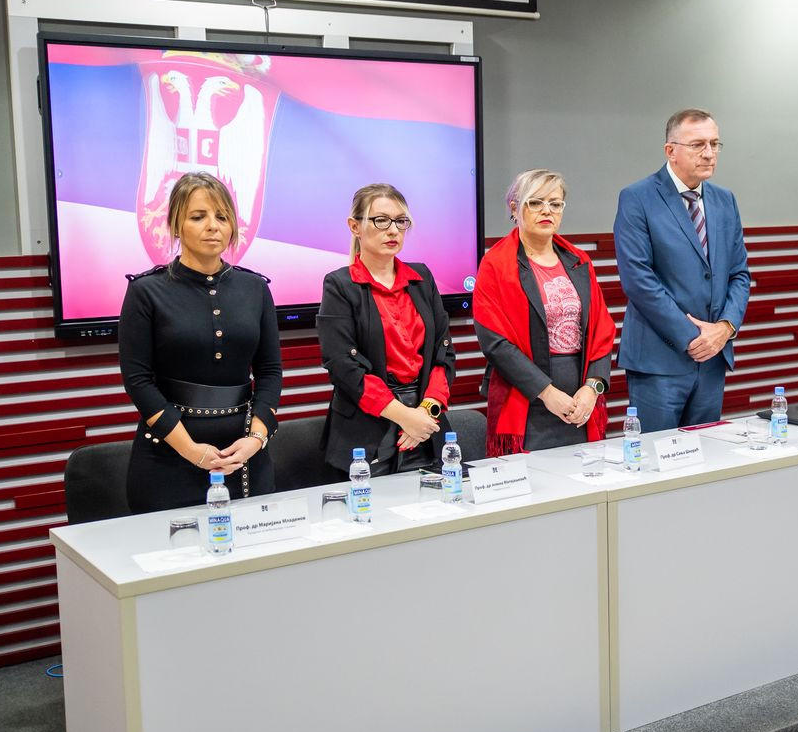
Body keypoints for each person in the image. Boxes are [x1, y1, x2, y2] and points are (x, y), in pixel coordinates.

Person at [119, 171, 282, 513]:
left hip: (244, 451)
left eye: (222, 217)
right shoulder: (146, 291)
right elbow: (138, 380)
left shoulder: (255, 288)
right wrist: (191, 450)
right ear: (176, 225)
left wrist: (256, 439)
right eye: (198, 217)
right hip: (169, 451)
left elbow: (269, 372)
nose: (213, 226)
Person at [613, 109, 750, 431]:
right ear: (670, 151)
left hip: (713, 358)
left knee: (706, 454)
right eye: (698, 144)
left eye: (715, 144)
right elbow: (638, 280)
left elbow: (739, 274)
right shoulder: (637, 198)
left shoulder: (725, 200)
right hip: (659, 360)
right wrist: (694, 337)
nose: (709, 153)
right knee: (657, 455)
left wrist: (725, 328)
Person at [316, 184, 456, 479]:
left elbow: (443, 353)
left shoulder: (422, 277)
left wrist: (425, 412)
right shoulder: (340, 285)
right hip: (367, 434)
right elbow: (343, 366)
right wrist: (405, 417)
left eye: (401, 221)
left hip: (426, 427)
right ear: (355, 226)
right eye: (381, 220)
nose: (393, 230)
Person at [474, 169, 615, 456]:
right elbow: (496, 343)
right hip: (526, 400)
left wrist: (593, 388)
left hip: (581, 402)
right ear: (515, 207)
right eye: (535, 202)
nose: (546, 210)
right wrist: (547, 393)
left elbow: (601, 329)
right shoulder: (496, 264)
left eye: (555, 203)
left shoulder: (579, 261)